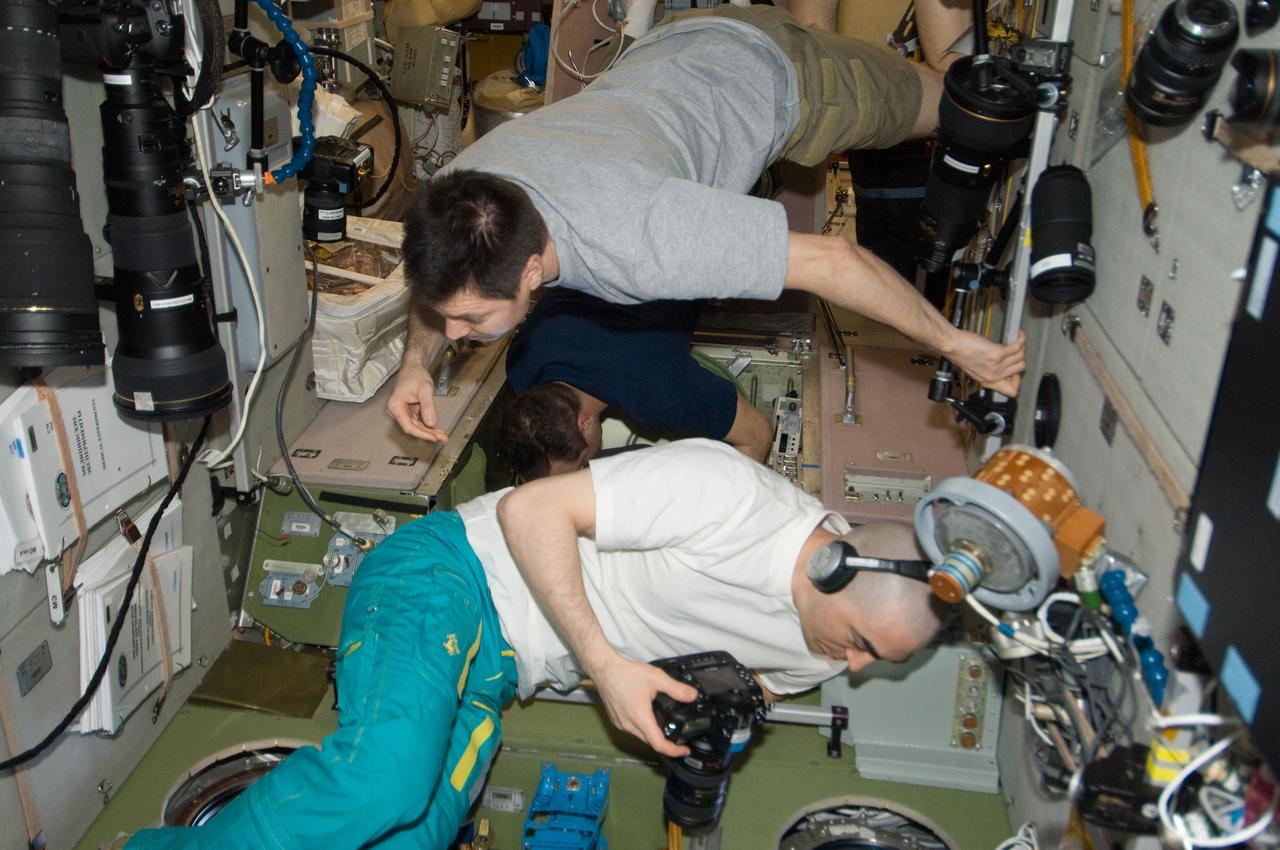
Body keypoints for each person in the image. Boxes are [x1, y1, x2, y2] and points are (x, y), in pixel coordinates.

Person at [122, 439, 943, 849]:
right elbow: (529, 512)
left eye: (880, 663)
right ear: (836, 565)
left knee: (415, 832)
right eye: (867, 643)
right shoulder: (725, 491)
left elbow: (746, 692)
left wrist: (710, 734)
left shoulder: (820, 651)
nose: (856, 668)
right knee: (384, 779)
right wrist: (608, 669)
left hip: (498, 671)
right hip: (451, 576)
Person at [387, 3, 1026, 444]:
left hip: (784, 76)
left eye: (471, 321)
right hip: (672, 45)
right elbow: (437, 286)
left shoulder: (640, 240)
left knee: (960, 105)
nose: (457, 333)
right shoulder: (463, 195)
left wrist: (953, 344)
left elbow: (836, 262)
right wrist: (416, 364)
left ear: (531, 270)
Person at [499, 287, 773, 481]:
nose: (585, 472)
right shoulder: (522, 362)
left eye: (582, 464)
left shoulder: (655, 392)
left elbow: (758, 434)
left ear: (585, 423)